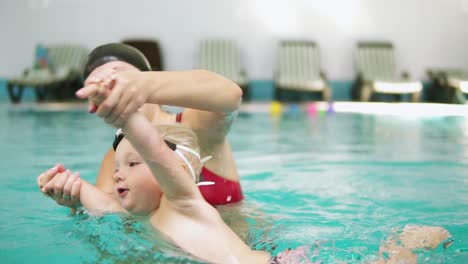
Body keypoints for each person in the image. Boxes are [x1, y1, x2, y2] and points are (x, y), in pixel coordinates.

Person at [38, 103, 308, 263]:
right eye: (117, 167)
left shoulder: (182, 205)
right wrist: (67, 186)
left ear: (175, 169)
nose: (118, 174)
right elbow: (105, 203)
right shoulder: (148, 216)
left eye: (133, 164)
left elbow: (155, 151)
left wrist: (123, 115)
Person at [37, 43, 244, 210]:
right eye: (98, 86)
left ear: (144, 76)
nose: (111, 87)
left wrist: (146, 85)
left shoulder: (194, 128)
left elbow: (231, 95)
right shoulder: (116, 157)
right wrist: (76, 201)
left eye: (118, 76)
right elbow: (110, 217)